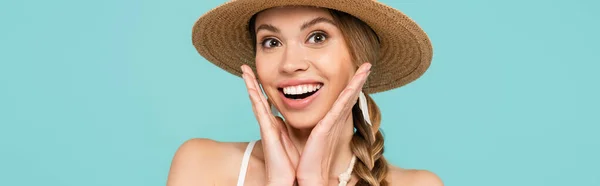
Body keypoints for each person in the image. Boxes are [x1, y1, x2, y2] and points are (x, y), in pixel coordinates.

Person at [167, 1, 442, 185]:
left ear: (360, 57)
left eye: (317, 37)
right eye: (271, 42)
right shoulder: (202, 167)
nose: (289, 64)